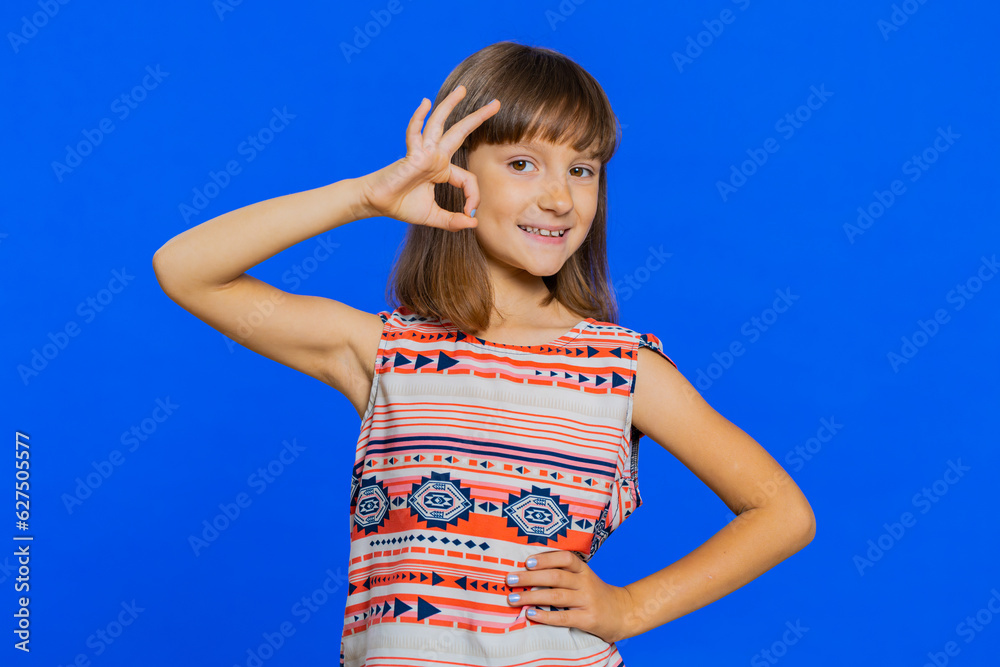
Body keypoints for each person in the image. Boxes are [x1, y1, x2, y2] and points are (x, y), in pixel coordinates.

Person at [153, 40, 815, 667]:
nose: (559, 196)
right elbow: (186, 269)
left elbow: (781, 511)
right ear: (459, 172)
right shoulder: (384, 353)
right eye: (523, 163)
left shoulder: (624, 370)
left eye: (582, 169)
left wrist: (632, 606)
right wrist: (364, 196)